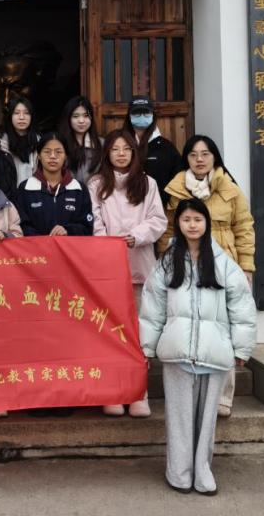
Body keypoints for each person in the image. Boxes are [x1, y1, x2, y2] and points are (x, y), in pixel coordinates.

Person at [139, 198, 256, 496]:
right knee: (178, 419)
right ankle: (179, 473)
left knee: (206, 421)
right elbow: (153, 307)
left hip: (213, 354)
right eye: (186, 219)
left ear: (206, 223)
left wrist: (241, 349)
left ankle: (203, 472)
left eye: (197, 219)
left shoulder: (223, 263)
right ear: (178, 223)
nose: (192, 225)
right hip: (177, 354)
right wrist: (147, 346)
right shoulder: (167, 263)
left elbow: (242, 307)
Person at [157, 134, 255, 418]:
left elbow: (244, 228)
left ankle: (223, 396)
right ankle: (191, 394)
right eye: (193, 154)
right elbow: (167, 230)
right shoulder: (176, 190)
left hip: (223, 267)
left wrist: (246, 266)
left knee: (222, 329)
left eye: (205, 154)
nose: (199, 160)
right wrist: (167, 262)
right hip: (185, 266)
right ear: (186, 158)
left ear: (215, 157)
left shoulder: (231, 190)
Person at [87, 130, 167, 417]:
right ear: (106, 153)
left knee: (139, 335)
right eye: (115, 149)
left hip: (140, 267)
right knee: (109, 333)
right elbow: (93, 220)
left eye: (126, 149)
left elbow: (158, 220)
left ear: (134, 153)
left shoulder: (148, 183)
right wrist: (107, 244)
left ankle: (137, 393)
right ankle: (112, 392)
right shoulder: (96, 184)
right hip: (107, 271)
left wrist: (136, 236)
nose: (121, 154)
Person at [15, 132, 94, 237]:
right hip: (37, 247)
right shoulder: (25, 188)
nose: (52, 156)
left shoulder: (79, 189)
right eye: (47, 152)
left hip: (69, 247)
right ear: (39, 155)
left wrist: (68, 230)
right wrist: (44, 241)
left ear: (66, 155)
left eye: (58, 152)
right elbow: (21, 226)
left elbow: (87, 227)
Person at [126, 96, 182, 205]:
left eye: (146, 113)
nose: (142, 116)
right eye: (137, 113)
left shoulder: (166, 147)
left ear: (153, 115)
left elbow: (178, 176)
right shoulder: (121, 143)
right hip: (126, 206)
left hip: (158, 207)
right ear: (129, 116)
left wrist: (166, 199)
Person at [0, 94, 39, 187]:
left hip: (33, 193)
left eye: (26, 113)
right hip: (7, 194)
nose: (22, 117)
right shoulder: (0, 143)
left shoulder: (40, 142)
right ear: (10, 116)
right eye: (16, 113)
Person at [57, 96, 103, 185]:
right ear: (68, 118)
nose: (81, 121)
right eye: (76, 116)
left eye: (86, 116)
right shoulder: (59, 144)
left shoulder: (101, 144)